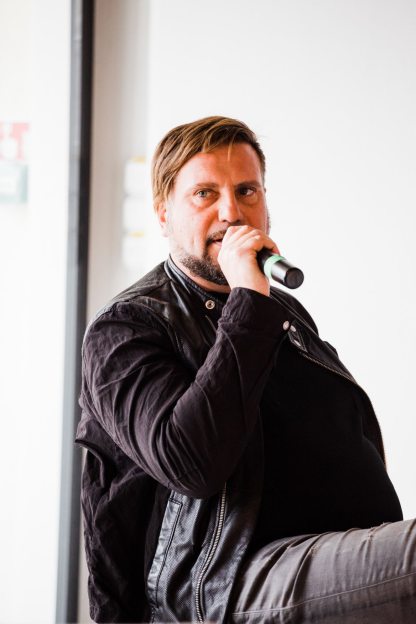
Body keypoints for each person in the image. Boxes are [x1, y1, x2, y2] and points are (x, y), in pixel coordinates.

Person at [76, 116, 416, 623]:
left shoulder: (283, 313)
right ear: (163, 213)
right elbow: (191, 463)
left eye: (246, 190)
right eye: (205, 194)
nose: (231, 212)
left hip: (336, 554)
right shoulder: (125, 328)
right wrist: (249, 303)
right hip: (223, 581)